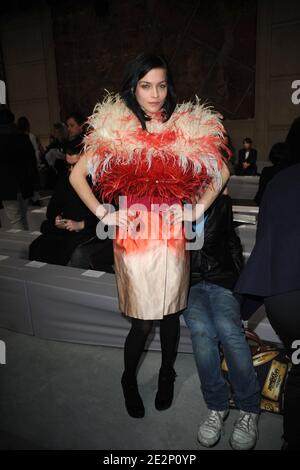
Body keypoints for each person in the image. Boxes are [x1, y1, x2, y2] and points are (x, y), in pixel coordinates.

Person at [69, 52, 230, 419]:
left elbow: (221, 171)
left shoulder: (185, 125)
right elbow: (77, 177)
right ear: (133, 87)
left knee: (172, 316)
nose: (155, 94)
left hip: (172, 237)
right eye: (146, 85)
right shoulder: (115, 127)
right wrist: (105, 214)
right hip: (134, 238)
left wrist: (195, 210)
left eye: (161, 85)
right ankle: (128, 379)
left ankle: (167, 373)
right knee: (142, 323)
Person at [183, 191, 260, 450]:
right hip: (191, 283)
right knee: (201, 331)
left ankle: (249, 408)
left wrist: (239, 280)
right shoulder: (173, 205)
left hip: (223, 279)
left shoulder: (221, 202)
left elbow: (231, 240)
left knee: (228, 329)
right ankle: (217, 406)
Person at [235, 164, 300, 450]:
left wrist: (246, 305)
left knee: (298, 370)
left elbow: (266, 242)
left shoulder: (280, 179)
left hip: (282, 299)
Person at [29, 136, 98, 265]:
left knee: (70, 250)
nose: (71, 170)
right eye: (68, 165)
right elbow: (52, 211)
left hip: (89, 230)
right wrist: (57, 218)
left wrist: (81, 224)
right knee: (37, 246)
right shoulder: (65, 180)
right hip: (65, 229)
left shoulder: (98, 182)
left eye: (75, 165)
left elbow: (107, 214)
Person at [0, 108, 37, 230]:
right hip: (24, 184)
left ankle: (24, 247)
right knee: (22, 218)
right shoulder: (23, 137)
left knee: (15, 220)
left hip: (7, 187)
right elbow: (32, 162)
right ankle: (27, 245)